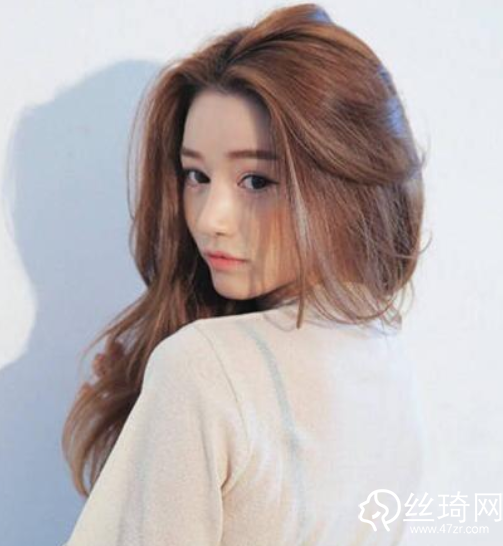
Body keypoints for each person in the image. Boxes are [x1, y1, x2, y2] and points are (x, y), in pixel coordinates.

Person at [61, 3, 430, 545]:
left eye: (257, 181)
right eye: (196, 175)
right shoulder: (385, 359)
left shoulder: (202, 366)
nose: (211, 219)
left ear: (349, 183)